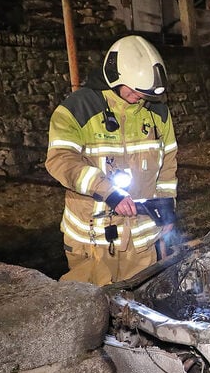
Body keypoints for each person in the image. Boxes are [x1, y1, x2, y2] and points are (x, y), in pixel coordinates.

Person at [46, 35, 178, 285]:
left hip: (141, 243)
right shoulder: (78, 108)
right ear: (117, 77)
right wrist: (108, 192)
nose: (140, 98)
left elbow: (167, 165)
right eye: (136, 91)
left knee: (139, 311)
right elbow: (60, 159)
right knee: (92, 314)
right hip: (92, 242)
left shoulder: (157, 113)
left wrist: (167, 210)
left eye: (145, 94)